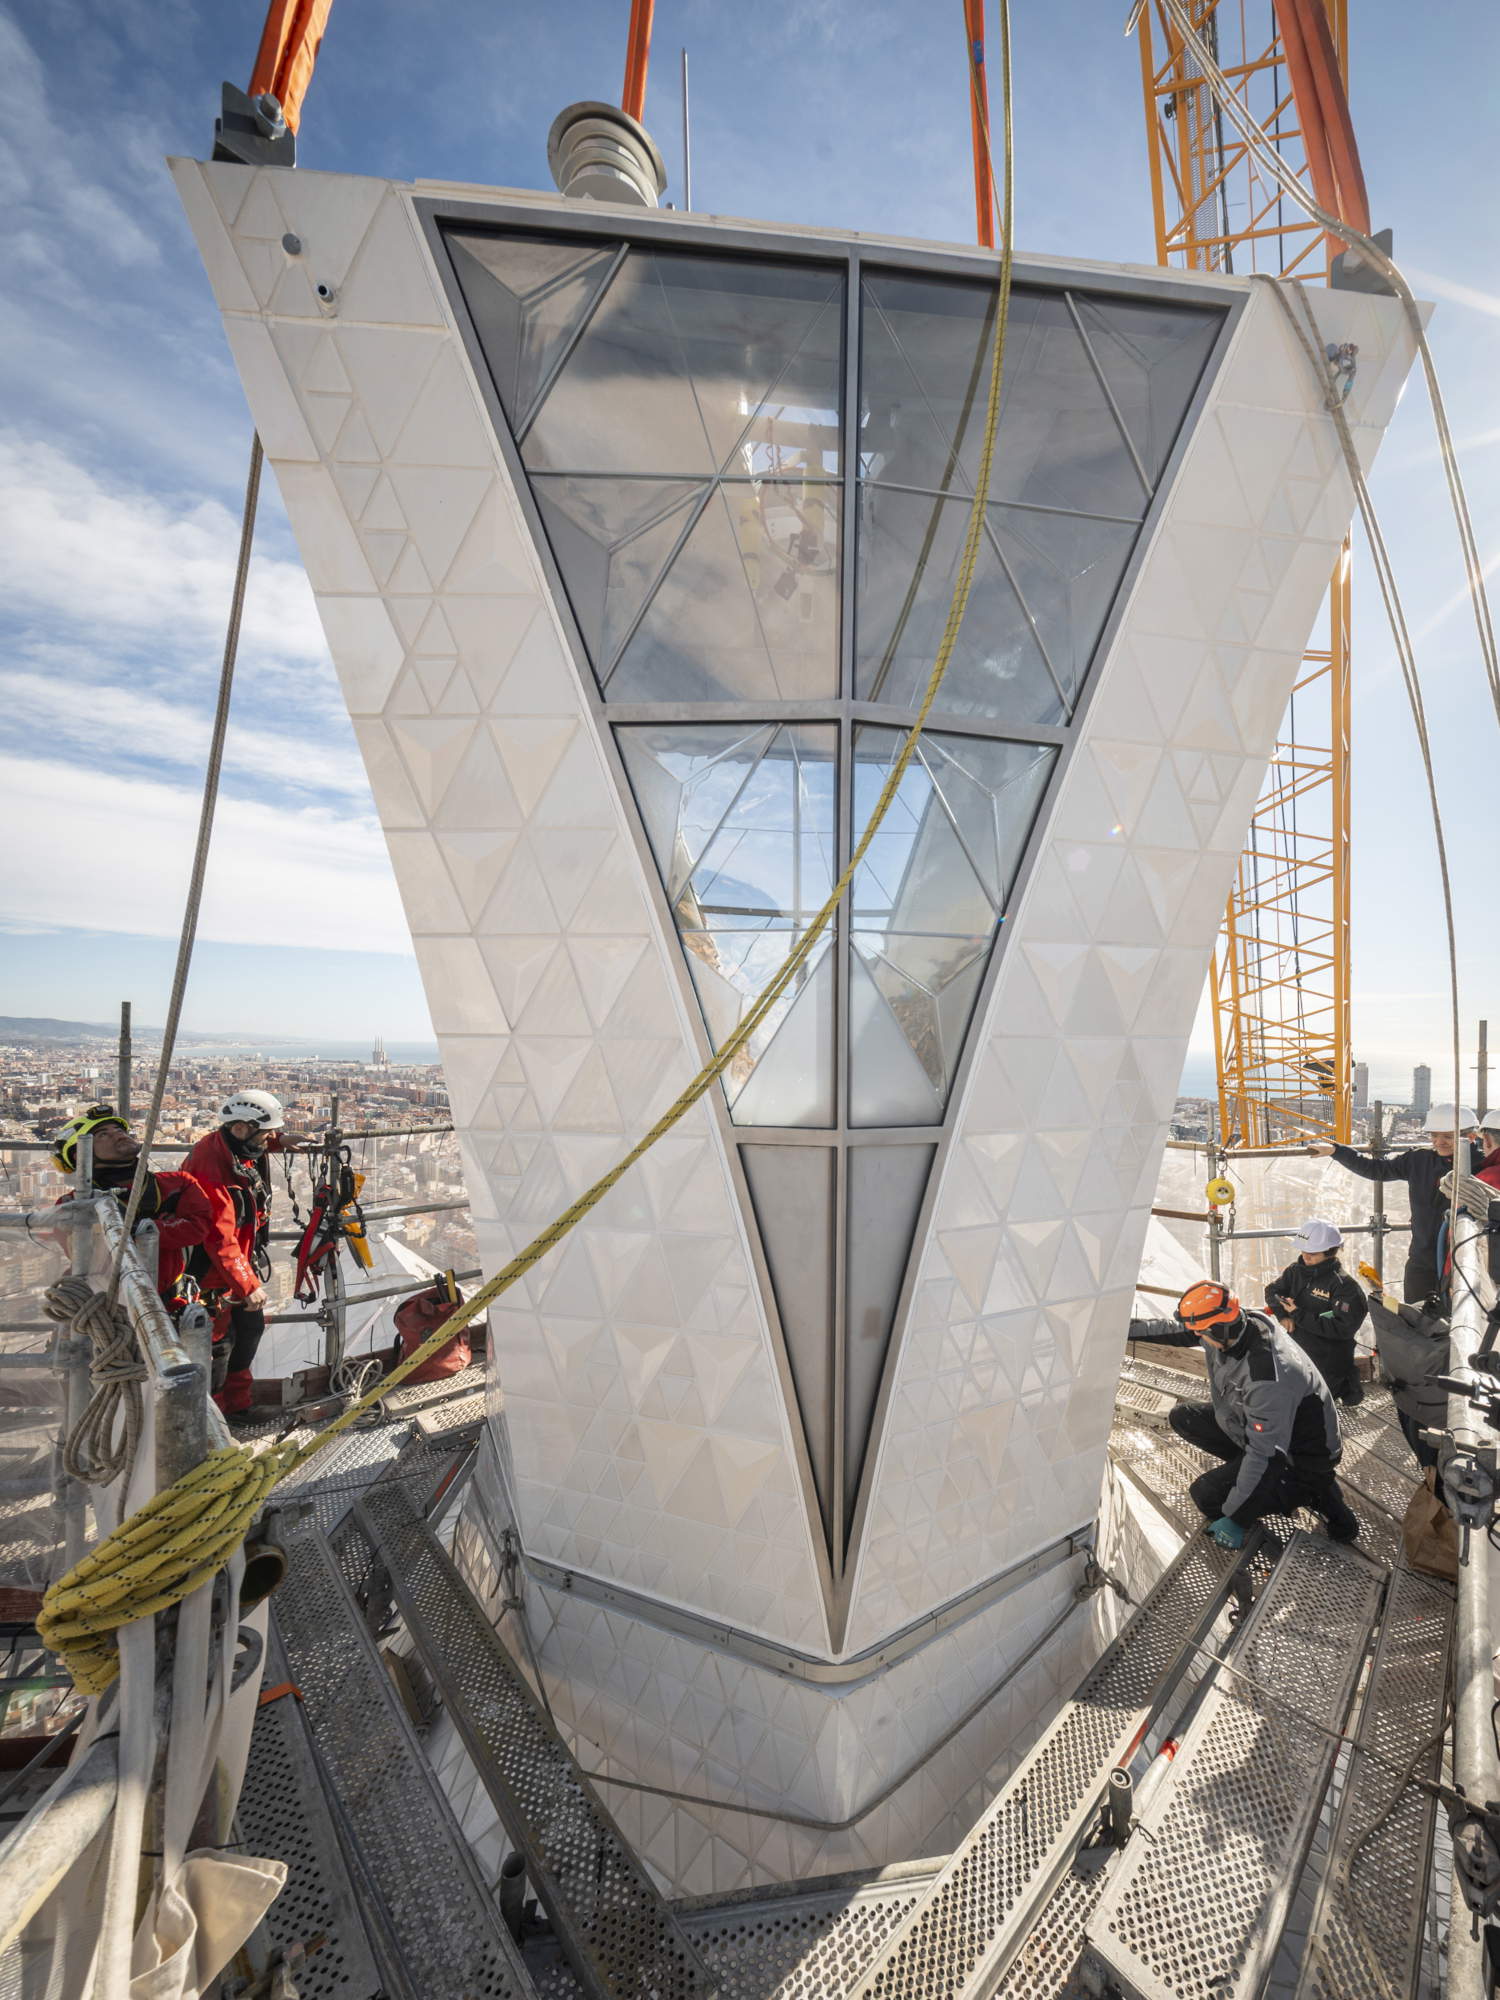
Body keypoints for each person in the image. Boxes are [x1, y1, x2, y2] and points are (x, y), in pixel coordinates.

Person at [1130, 1281, 1359, 1547]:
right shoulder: (1239, 1324)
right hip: (1273, 1433)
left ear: (1217, 1329)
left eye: (1201, 1333)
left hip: (1299, 1457)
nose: (1197, 1337)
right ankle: (1266, 1484)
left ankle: (1312, 1495)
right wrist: (1124, 1328)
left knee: (1207, 1496)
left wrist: (1236, 1518)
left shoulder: (1267, 1375)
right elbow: (1179, 1331)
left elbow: (1267, 1454)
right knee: (1185, 1418)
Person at [182, 1090, 296, 1421]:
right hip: (213, 1273)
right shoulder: (210, 1171)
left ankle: (239, 1405)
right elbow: (220, 1236)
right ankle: (214, 1419)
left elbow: (249, 1146)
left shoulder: (228, 1145)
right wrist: (247, 1286)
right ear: (242, 1128)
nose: (270, 1138)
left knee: (249, 1330)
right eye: (267, 1133)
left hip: (236, 1264)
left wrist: (279, 1141)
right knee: (218, 1346)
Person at [50, 1106, 234, 1308]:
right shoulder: (70, 1205)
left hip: (171, 1304)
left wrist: (131, 1231)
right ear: (79, 1154)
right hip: (107, 1307)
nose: (117, 1135)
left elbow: (198, 1229)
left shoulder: (178, 1183)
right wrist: (161, 1225)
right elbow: (92, 1254)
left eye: (119, 1130)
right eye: (103, 1134)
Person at [1311, 1104, 1480, 1306]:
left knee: (1462, 1319)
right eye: (1434, 1136)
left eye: (1447, 1137)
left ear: (1470, 1137)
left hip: (1465, 1258)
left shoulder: (1483, 1165)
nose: (1438, 1142)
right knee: (1418, 1314)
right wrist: (1336, 1151)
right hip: (1422, 1257)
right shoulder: (1419, 1160)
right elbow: (1376, 1170)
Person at [1262, 1219, 1369, 1405]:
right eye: (1303, 1251)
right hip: (1296, 1346)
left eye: (1312, 1253)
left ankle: (1346, 1383)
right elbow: (1273, 1291)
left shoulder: (1345, 1287)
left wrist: (1297, 1313)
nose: (1305, 1256)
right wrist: (1283, 1315)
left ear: (1329, 1252)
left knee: (1314, 1404)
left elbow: (1343, 1328)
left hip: (1328, 1354)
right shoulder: (1296, 1271)